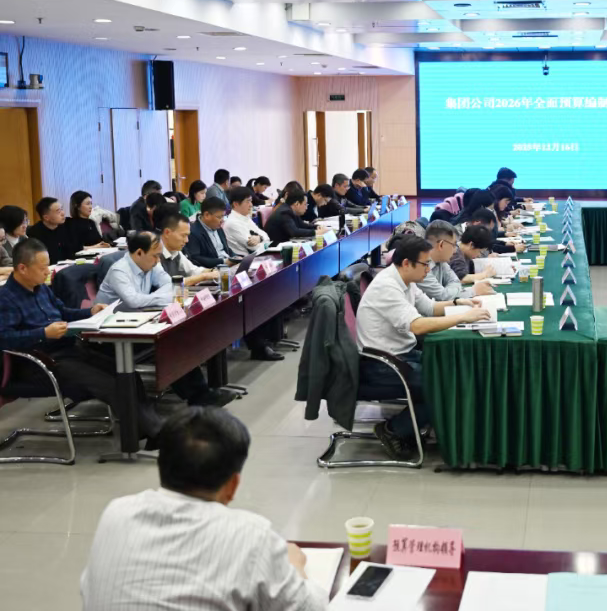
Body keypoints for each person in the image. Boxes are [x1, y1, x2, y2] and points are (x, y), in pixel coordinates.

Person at [80, 407, 327, 611]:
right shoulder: (252, 536)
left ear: (162, 466)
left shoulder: (116, 513)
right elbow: (312, 608)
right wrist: (295, 567)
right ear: (232, 485)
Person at [0, 237, 163, 442]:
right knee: (110, 384)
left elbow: (64, 312)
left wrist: (91, 312)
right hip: (41, 363)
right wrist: (43, 333)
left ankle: (144, 430)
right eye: (42, 268)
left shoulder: (41, 288)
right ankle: (156, 433)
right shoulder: (6, 298)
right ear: (22, 268)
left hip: (69, 350)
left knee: (127, 374)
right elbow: (4, 339)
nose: (48, 272)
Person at [356, 236, 489, 460]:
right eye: (425, 264)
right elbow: (417, 325)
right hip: (382, 365)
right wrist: (463, 317)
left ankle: (421, 424)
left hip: (401, 355)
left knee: (454, 371)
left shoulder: (406, 280)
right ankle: (393, 430)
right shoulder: (387, 287)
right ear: (406, 263)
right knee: (444, 383)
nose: (429, 269)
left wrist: (458, 303)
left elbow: (429, 308)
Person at [98, 230, 237, 405]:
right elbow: (134, 301)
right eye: (155, 256)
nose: (158, 261)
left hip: (141, 322)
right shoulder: (119, 270)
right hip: (111, 335)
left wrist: (163, 294)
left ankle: (201, 394)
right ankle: (199, 396)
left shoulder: (151, 263)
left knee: (181, 335)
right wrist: (163, 295)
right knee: (173, 342)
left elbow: (170, 285)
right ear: (139, 252)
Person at [161, 212, 282, 363]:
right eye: (183, 236)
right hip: (166, 305)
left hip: (183, 297)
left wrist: (213, 272)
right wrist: (205, 276)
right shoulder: (155, 253)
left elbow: (194, 270)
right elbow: (169, 284)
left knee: (241, 301)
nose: (186, 241)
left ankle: (259, 346)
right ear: (167, 232)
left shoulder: (176, 251)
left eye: (187, 236)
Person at [415, 221, 494, 301]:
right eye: (453, 245)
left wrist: (449, 291)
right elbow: (442, 296)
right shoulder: (420, 266)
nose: (455, 250)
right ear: (441, 245)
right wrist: (473, 291)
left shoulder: (442, 261)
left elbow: (455, 281)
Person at [185, 197, 244, 268]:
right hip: (214, 269)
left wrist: (235, 257)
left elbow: (226, 249)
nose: (222, 220)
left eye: (223, 216)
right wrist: (223, 261)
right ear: (207, 215)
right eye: (219, 217)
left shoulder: (217, 227)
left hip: (229, 264)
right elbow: (195, 258)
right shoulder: (193, 232)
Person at [27, 196, 79, 263]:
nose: (63, 213)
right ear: (46, 217)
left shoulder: (66, 226)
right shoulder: (35, 233)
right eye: (58, 211)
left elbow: (72, 250)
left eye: (62, 209)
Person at [224, 186, 270, 254]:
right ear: (236, 204)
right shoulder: (232, 223)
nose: (251, 205)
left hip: (256, 255)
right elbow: (254, 247)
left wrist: (260, 238)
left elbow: (266, 237)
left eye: (251, 201)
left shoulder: (245, 217)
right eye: (247, 201)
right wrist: (262, 239)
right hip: (244, 258)